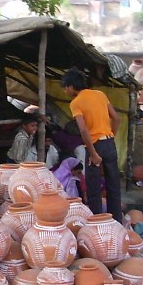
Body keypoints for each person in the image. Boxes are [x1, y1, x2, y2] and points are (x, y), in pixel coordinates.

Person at [61, 68, 123, 222]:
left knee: (93, 188)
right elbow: (116, 118)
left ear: (70, 86)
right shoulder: (100, 95)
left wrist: (93, 154)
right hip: (109, 142)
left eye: (65, 88)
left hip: (95, 145)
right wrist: (111, 137)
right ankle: (117, 223)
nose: (65, 91)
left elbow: (83, 130)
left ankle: (96, 223)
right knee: (114, 186)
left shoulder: (76, 103)